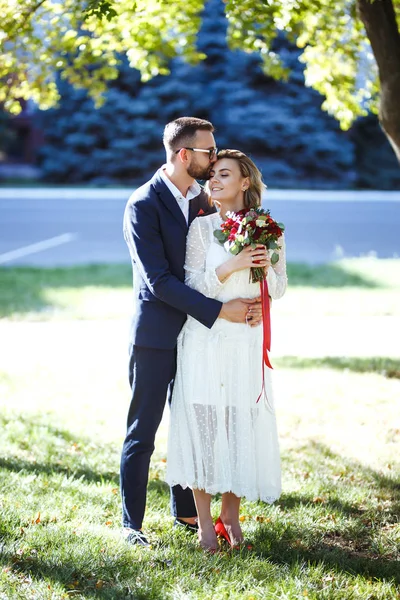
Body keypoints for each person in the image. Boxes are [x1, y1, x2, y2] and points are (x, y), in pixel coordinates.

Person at [121, 119, 263, 546]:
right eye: (208, 151)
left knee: (192, 421)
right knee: (143, 430)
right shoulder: (143, 204)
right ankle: (132, 525)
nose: (214, 157)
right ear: (185, 155)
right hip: (157, 334)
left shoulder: (204, 201)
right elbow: (159, 281)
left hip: (202, 340)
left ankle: (186, 512)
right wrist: (222, 311)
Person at [165, 149, 287, 552]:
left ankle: (230, 519)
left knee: (239, 423)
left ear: (245, 182)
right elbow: (191, 285)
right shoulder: (202, 228)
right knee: (203, 423)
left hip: (246, 345)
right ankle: (203, 525)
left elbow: (280, 287)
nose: (213, 181)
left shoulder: (270, 228)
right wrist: (232, 264)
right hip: (205, 339)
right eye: (212, 174)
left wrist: (260, 294)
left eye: (223, 175)